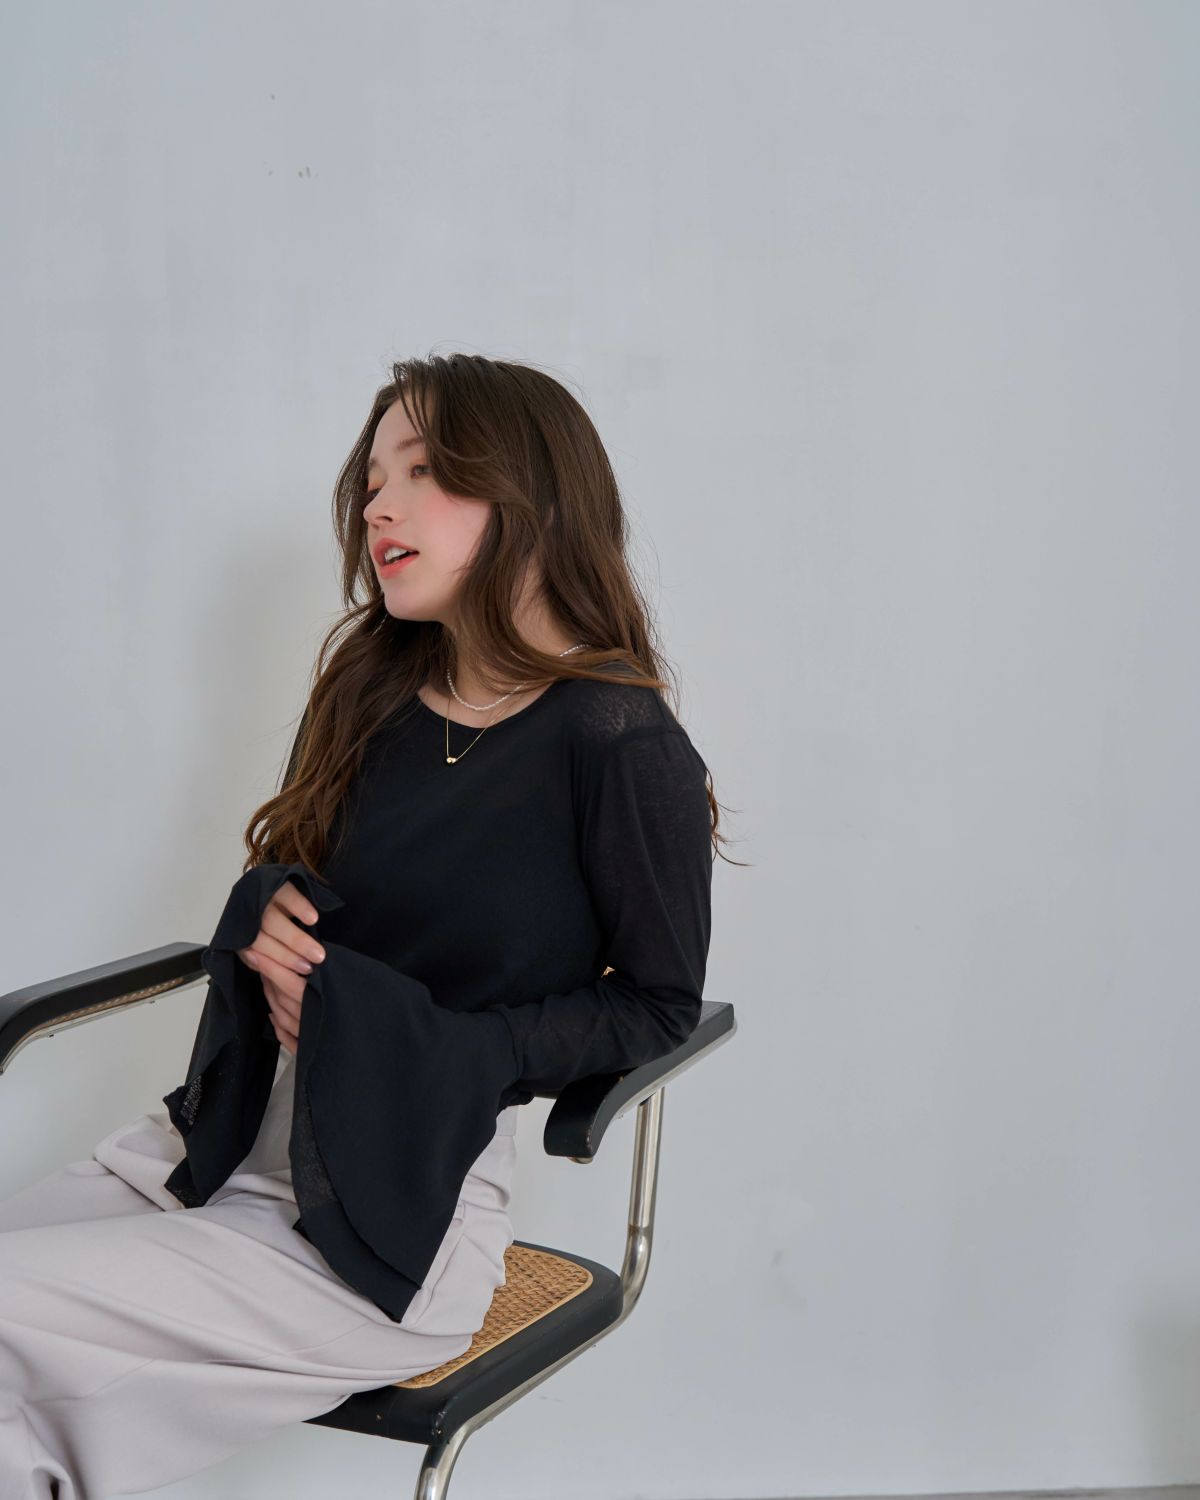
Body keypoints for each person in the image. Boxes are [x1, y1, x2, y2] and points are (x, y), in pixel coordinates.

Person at [0, 353, 734, 1499]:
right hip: (215, 1145)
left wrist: (443, 1045)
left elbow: (656, 1005)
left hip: (395, 1215)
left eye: (424, 472)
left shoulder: (618, 742)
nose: (379, 507)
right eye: (373, 480)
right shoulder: (370, 686)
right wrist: (264, 911)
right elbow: (298, 873)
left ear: (535, 494)